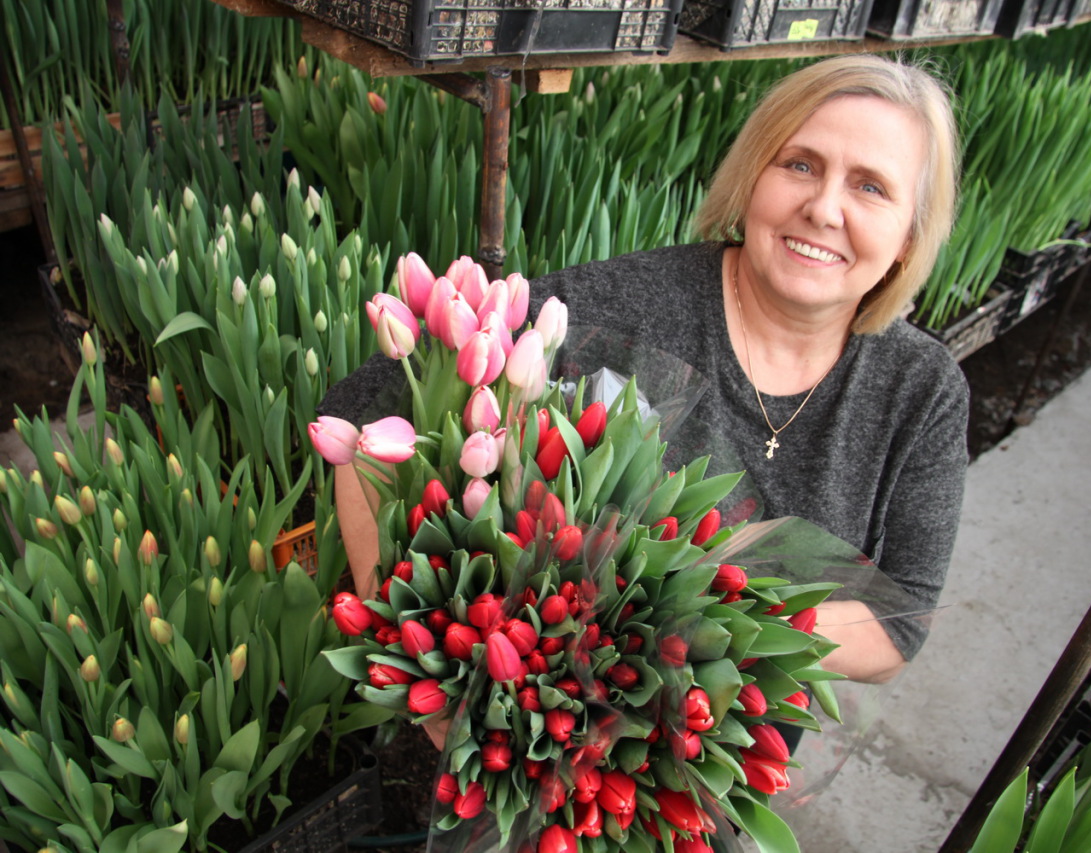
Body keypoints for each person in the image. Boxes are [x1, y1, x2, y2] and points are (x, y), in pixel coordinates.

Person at [321, 53, 967, 689]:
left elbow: (900, 617)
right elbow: (363, 410)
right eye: (800, 164)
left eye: (871, 186)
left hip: (711, 756)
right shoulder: (627, 306)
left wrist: (708, 636)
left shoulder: (920, 389)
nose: (825, 208)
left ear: (910, 234)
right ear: (752, 176)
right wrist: (413, 651)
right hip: (527, 721)